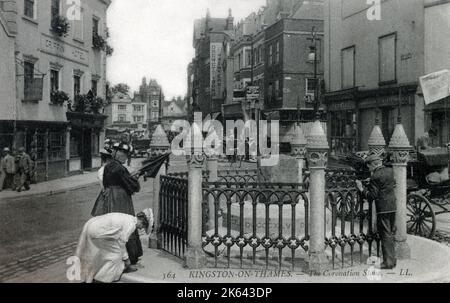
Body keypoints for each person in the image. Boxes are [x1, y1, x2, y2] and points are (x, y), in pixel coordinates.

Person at [91, 142, 142, 270]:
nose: (125, 157)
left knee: (111, 228)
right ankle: (127, 259)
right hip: (120, 199)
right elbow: (133, 186)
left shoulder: (109, 166)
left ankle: (109, 259)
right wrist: (135, 179)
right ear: (118, 154)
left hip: (109, 198)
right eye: (124, 154)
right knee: (125, 226)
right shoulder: (120, 168)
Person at [75, 211, 151, 283]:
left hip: (93, 225)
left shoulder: (130, 218)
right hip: (98, 231)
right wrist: (126, 259)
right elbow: (121, 242)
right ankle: (101, 279)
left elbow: (118, 239)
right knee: (115, 255)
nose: (141, 228)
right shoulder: (131, 225)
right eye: (143, 226)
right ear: (141, 221)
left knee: (103, 253)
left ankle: (92, 276)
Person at [356, 154, 397, 270]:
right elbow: (388, 183)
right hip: (392, 205)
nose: (368, 169)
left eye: (368, 166)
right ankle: (392, 260)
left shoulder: (375, 176)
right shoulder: (390, 171)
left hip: (383, 208)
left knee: (385, 234)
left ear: (373, 164)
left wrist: (361, 188)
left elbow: (371, 196)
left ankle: (388, 262)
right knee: (390, 233)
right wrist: (373, 181)